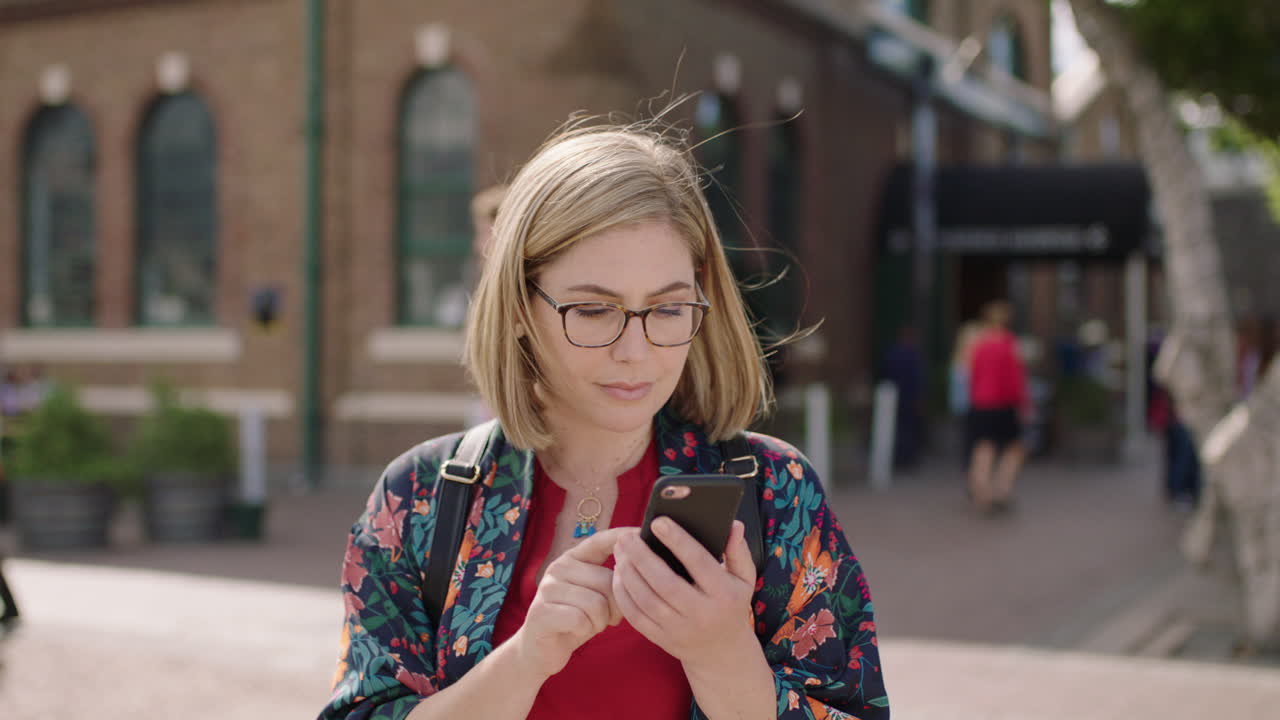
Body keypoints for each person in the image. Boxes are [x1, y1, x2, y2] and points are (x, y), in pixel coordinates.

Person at [319, 120, 888, 719]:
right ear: (517, 307)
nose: (635, 350)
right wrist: (525, 659)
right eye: (593, 309)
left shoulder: (773, 490)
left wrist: (722, 654)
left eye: (667, 308)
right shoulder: (420, 497)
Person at [966, 300, 1029, 513]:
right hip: (1003, 403)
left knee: (984, 447)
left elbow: (972, 375)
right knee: (1015, 448)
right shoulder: (1009, 344)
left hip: (980, 402)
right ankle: (1002, 489)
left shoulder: (979, 344)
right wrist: (1022, 405)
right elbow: (1014, 379)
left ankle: (981, 492)